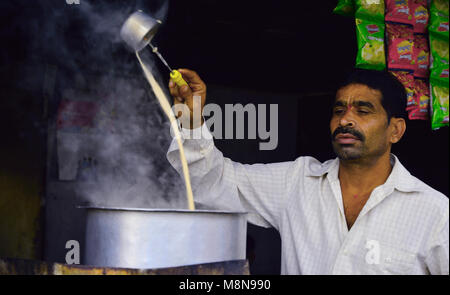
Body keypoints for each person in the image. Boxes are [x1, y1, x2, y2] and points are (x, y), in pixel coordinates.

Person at [166, 68, 449, 275]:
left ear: (395, 130)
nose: (346, 119)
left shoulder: (434, 212)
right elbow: (212, 182)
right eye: (339, 110)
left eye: (363, 111)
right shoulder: (297, 182)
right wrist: (192, 122)